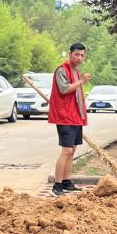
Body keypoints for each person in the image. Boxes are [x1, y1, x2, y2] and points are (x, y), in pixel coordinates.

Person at [48, 43, 90, 197]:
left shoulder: (75, 70)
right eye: (77, 54)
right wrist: (82, 81)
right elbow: (64, 89)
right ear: (70, 54)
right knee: (66, 151)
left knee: (72, 151)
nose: (79, 58)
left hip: (75, 117)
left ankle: (66, 181)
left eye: (82, 55)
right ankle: (57, 185)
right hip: (65, 116)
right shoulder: (62, 69)